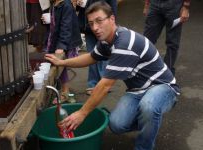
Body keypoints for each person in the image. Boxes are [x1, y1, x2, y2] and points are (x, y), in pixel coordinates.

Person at [45, 1, 180, 150]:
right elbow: (90, 57)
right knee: (116, 124)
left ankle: (144, 144)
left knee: (149, 106)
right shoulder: (107, 41)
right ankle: (149, 122)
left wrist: (82, 113)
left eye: (99, 21)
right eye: (91, 23)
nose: (95, 27)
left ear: (112, 19)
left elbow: (105, 85)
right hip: (137, 91)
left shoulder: (124, 43)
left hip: (163, 87)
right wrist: (62, 62)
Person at [43, 0, 82, 102]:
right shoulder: (54, 4)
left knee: (61, 65)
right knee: (58, 65)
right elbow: (55, 24)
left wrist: (61, 46)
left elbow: (66, 27)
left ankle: (65, 92)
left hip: (64, 41)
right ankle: (63, 90)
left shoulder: (66, 5)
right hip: (54, 39)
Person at [76, 0, 117, 95]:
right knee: (92, 55)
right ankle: (93, 84)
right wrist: (80, 4)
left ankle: (104, 84)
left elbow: (112, 6)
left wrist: (112, 25)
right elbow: (80, 9)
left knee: (105, 54)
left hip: (103, 25)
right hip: (88, 26)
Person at [143, 0, 190, 75]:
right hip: (154, 4)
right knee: (146, 41)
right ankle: (145, 71)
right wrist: (147, 4)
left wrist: (186, 7)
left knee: (172, 43)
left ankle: (167, 74)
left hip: (174, 6)